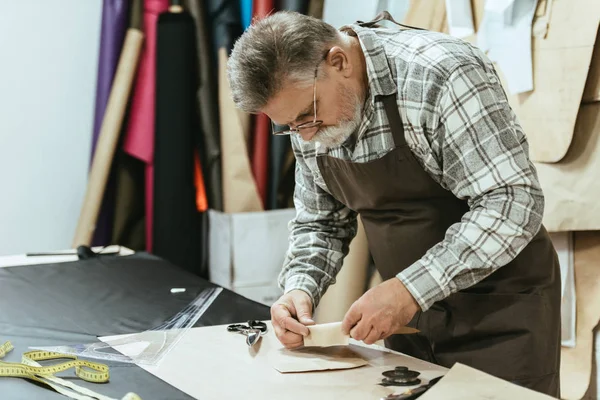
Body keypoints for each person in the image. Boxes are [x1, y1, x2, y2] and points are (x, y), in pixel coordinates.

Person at [227, 10, 561, 396]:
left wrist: (407, 290)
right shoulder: (307, 121)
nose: (306, 135)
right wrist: (300, 289)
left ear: (338, 61)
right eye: (290, 127)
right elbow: (321, 223)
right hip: (406, 323)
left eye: (308, 116)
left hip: (501, 316)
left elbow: (512, 201)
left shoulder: (441, 73)